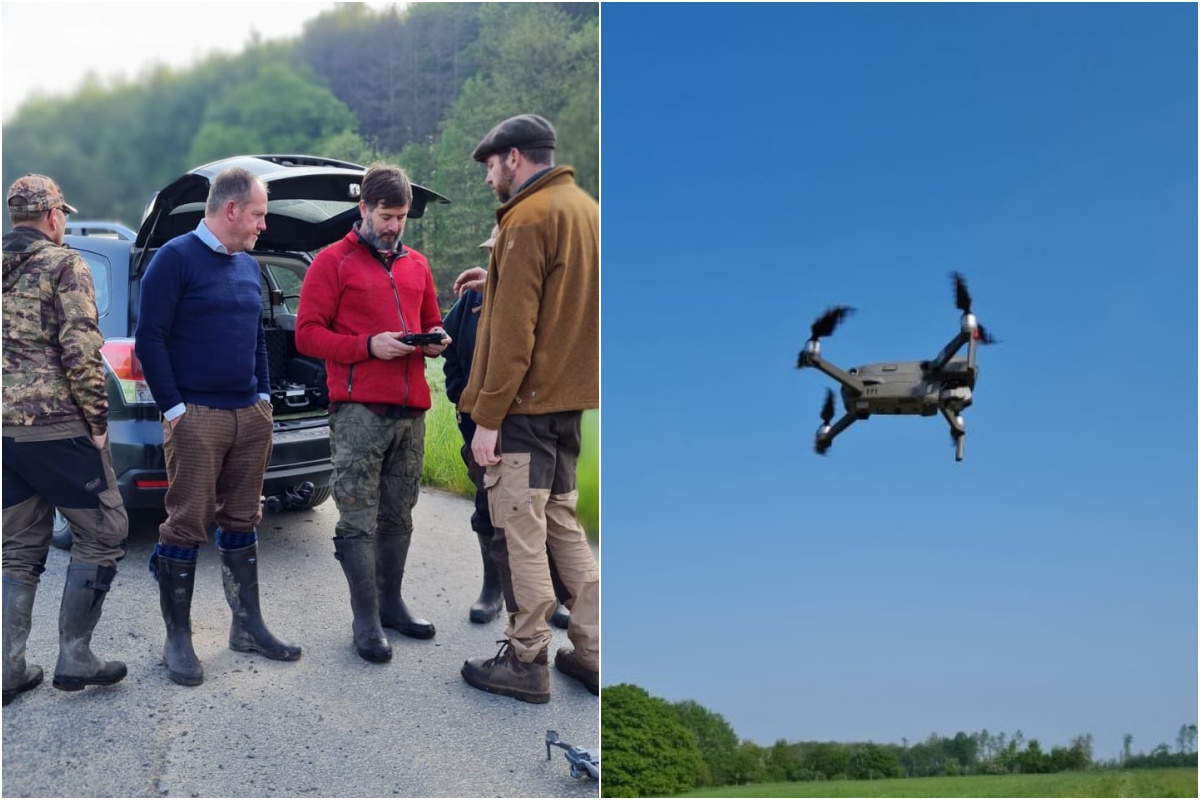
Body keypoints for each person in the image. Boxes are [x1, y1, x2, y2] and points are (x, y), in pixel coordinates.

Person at [135, 167, 301, 687]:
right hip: (196, 417)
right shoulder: (175, 258)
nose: (262, 225)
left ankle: (247, 627)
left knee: (243, 518)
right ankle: (177, 640)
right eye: (258, 214)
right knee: (186, 522)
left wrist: (264, 398)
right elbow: (150, 339)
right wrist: (175, 409)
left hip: (248, 416)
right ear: (231, 210)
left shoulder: (248, 267)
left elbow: (258, 338)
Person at [458, 114, 600, 702]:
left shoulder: (525, 217)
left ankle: (525, 660)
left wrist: (488, 417)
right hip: (568, 407)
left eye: (491, 167)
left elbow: (516, 335)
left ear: (512, 158)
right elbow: (564, 299)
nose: (490, 179)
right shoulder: (587, 211)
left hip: (522, 410)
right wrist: (495, 284)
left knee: (520, 531)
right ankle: (591, 651)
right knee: (565, 526)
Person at [295, 163, 449, 664]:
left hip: (411, 410)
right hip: (358, 410)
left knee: (399, 512)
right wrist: (367, 346)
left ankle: (392, 604)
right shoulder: (331, 263)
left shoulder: (418, 266)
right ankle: (365, 621)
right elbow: (307, 334)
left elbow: (430, 321)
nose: (393, 226)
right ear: (363, 209)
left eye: (401, 217)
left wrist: (435, 341)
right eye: (386, 215)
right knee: (357, 516)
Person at [2, 174, 128, 705]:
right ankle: (75, 654)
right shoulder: (65, 263)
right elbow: (80, 349)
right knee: (106, 529)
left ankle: (9, 670)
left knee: (18, 547)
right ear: (52, 215)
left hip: (4, 430)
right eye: (64, 216)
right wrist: (97, 424)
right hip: (56, 425)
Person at [443, 226, 571, 628]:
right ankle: (492, 588)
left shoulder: (548, 302)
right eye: (496, 254)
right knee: (489, 510)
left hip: (535, 429)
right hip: (479, 430)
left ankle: (556, 595)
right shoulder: (471, 302)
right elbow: (449, 356)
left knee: (544, 512)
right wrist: (465, 401)